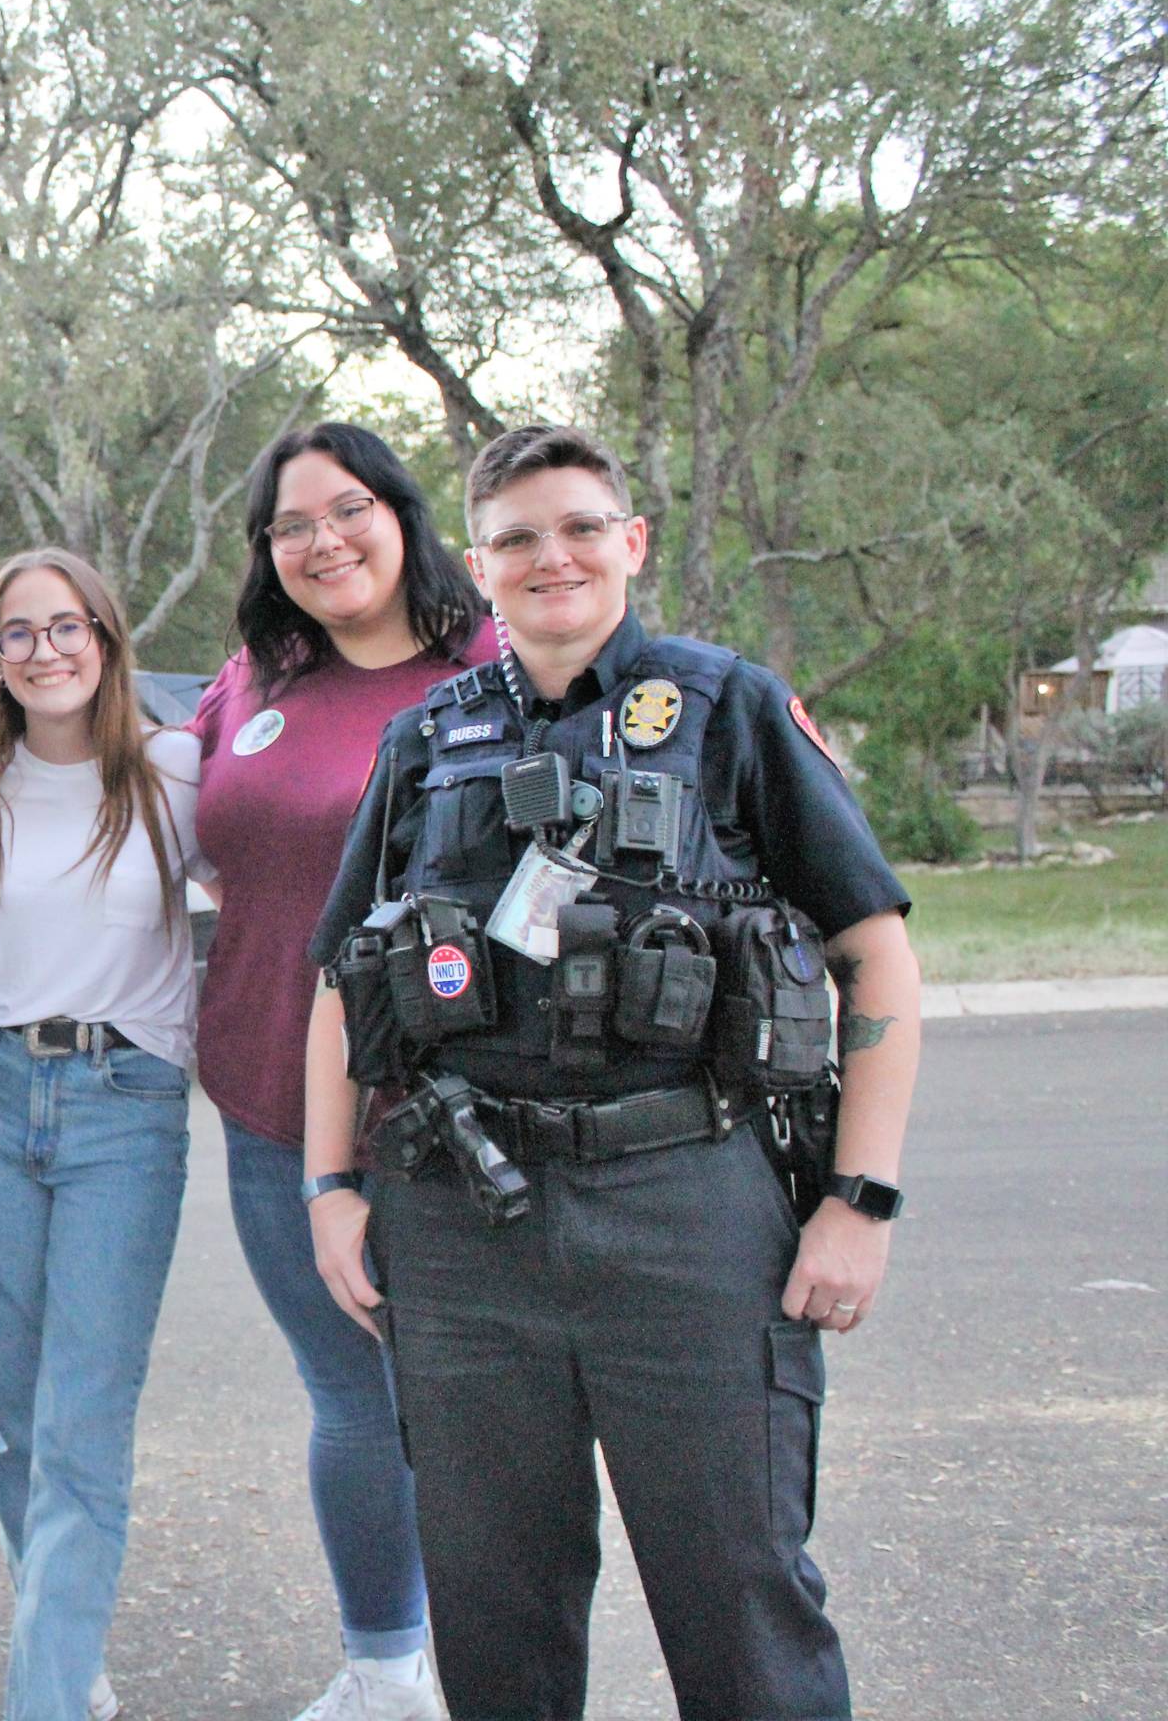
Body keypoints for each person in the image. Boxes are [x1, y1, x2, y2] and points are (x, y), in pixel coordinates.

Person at [303, 423, 921, 1720]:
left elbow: (875, 952)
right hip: (463, 1220)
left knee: (741, 1603)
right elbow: (341, 978)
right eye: (518, 538)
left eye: (582, 526)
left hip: (688, 1204)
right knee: (495, 1615)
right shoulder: (428, 739)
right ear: (479, 569)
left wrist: (858, 1202)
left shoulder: (731, 709)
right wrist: (330, 1186)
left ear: (633, 542)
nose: (553, 557)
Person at [188, 423, 486, 1721]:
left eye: (349, 508)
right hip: (270, 1104)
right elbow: (178, 831)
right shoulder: (254, 677)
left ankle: (498, 1664)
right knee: (354, 1397)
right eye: (291, 524)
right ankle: (384, 1671)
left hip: (471, 1113)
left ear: (404, 516)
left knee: (477, 1404)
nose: (324, 541)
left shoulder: (497, 664)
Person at [0, 548, 210, 1721]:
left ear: (105, 636)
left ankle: (41, 1696)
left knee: (80, 1424)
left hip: (124, 1105)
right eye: (16, 635)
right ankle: (67, 1642)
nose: (44, 652)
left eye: (67, 628)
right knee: (12, 1428)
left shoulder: (177, 771)